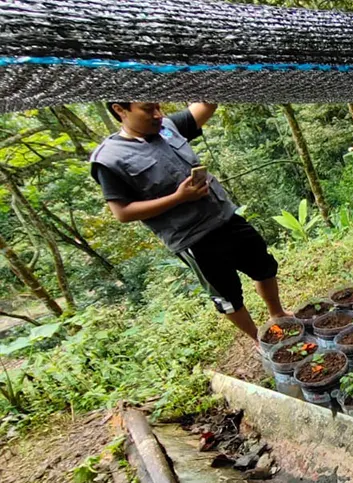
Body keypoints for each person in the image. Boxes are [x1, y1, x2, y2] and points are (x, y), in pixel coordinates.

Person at [90, 102, 288, 341]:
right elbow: (122, 213)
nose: (158, 114)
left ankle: (278, 315)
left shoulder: (168, 126)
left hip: (225, 217)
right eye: (148, 109)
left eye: (158, 106)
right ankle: (259, 340)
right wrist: (178, 198)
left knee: (264, 267)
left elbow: (207, 104)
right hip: (193, 237)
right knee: (227, 295)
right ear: (120, 110)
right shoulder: (109, 159)